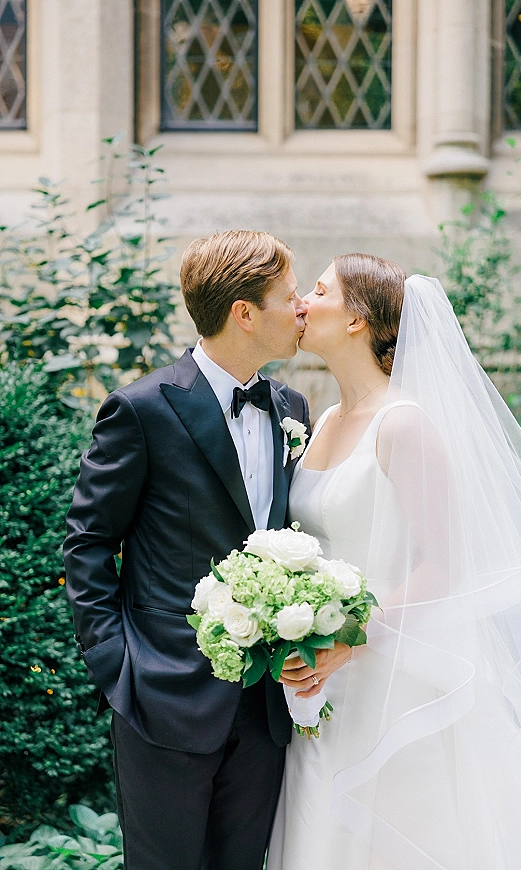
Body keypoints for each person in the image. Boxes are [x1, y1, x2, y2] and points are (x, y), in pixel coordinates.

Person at [269, 254, 521, 870]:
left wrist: (348, 640)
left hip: (391, 673)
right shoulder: (324, 418)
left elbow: (443, 567)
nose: (303, 302)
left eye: (320, 290)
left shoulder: (405, 424)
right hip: (320, 679)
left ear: (357, 319)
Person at [63, 230, 311, 870]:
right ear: (245, 313)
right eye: (289, 297)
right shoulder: (141, 410)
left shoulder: (292, 407)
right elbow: (89, 544)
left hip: (264, 704)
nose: (302, 308)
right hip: (161, 696)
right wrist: (118, 669)